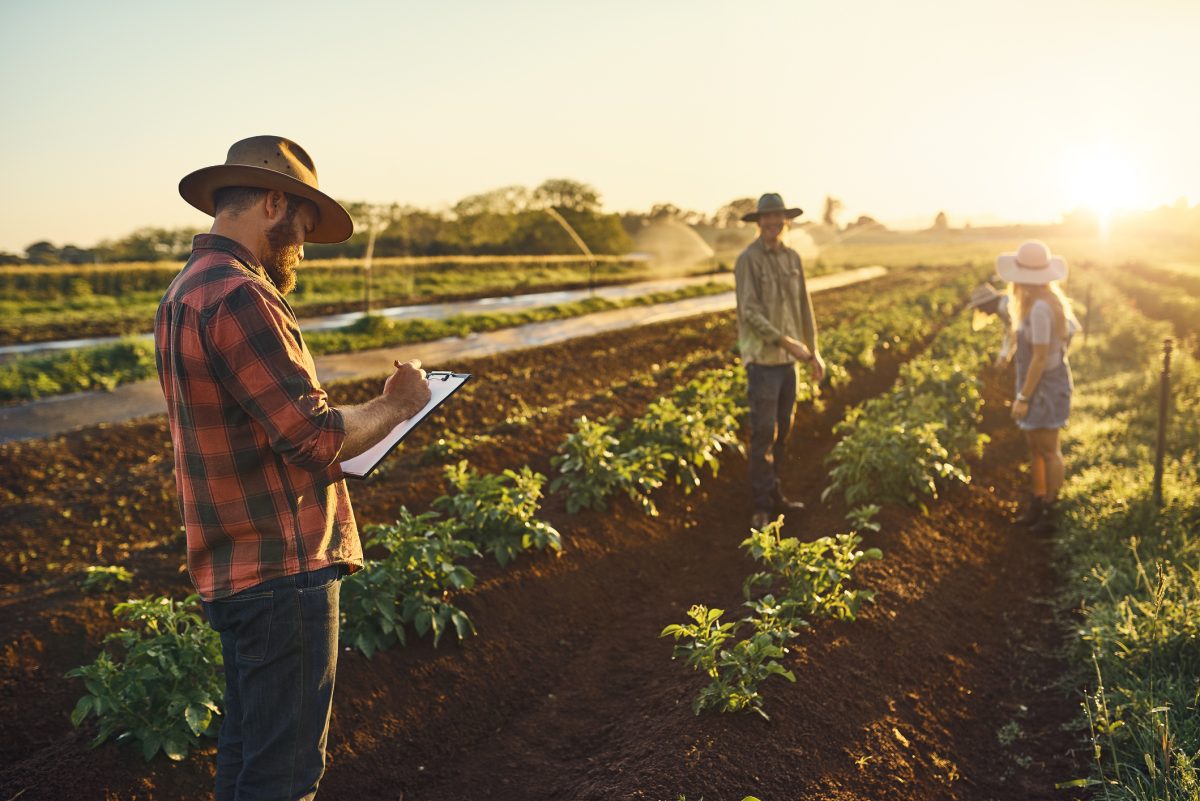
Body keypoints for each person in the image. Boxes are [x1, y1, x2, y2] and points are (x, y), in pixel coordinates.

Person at [156, 135, 432, 800]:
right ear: (274, 202)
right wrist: (395, 405)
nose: (302, 250)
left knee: (247, 760)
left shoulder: (183, 292)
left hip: (233, 565)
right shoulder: (241, 295)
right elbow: (312, 436)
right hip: (284, 569)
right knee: (285, 778)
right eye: (302, 230)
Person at [734, 193, 826, 531]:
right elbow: (749, 311)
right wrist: (786, 342)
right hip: (763, 362)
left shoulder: (792, 259)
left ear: (785, 221)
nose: (773, 223)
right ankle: (760, 507)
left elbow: (804, 307)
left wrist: (813, 352)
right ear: (759, 222)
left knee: (783, 433)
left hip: (790, 364)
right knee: (763, 433)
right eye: (767, 218)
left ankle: (775, 495)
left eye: (778, 218)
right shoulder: (748, 260)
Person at [995, 240, 1079, 535]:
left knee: (1049, 449)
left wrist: (1023, 397)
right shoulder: (1032, 303)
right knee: (1035, 448)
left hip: (1045, 388)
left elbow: (1041, 358)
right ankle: (1038, 499)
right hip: (1036, 384)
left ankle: (1051, 511)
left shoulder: (1042, 308)